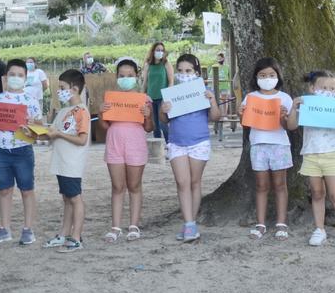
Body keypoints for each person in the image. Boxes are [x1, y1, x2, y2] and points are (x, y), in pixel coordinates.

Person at [287, 69, 335, 254]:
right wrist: (293, 108)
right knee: (317, 193)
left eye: (331, 88)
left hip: (333, 154)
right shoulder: (307, 105)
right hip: (311, 154)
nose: (327, 91)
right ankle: (319, 229)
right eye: (323, 87)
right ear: (312, 88)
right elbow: (291, 126)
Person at [160, 54, 222, 243]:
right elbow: (164, 120)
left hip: (199, 142)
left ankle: (191, 223)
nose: (184, 74)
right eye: (180, 71)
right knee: (182, 182)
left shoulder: (204, 90)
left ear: (196, 72)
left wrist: (212, 101)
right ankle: (188, 223)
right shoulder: (172, 93)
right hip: (176, 142)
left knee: (194, 182)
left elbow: (216, 117)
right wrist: (163, 110)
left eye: (188, 71)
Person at [0, 59, 44, 246]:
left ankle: (28, 229)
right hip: (1, 150)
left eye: (20, 75)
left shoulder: (30, 100)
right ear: (6, 77)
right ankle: (4, 229)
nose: (16, 78)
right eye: (12, 75)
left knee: (27, 190)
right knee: (4, 190)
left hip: (23, 150)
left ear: (26, 78)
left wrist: (31, 125)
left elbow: (39, 127)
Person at [240, 57, 294, 241]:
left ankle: (281, 223)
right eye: (262, 75)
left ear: (278, 76)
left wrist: (284, 117)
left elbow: (289, 126)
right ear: (256, 77)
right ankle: (260, 223)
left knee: (280, 185)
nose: (267, 78)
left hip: (280, 145)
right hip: (258, 145)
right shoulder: (251, 98)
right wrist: (242, 115)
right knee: (261, 186)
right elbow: (245, 124)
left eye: (271, 74)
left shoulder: (284, 98)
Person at [102, 60, 154, 243]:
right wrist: (102, 113)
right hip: (114, 144)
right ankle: (115, 227)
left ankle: (134, 225)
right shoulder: (110, 99)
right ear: (116, 78)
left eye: (130, 75)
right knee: (117, 187)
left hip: (136, 144)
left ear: (137, 76)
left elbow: (149, 127)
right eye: (122, 76)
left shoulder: (144, 99)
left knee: (134, 186)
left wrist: (147, 115)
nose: (126, 79)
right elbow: (104, 126)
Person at [43, 69, 90, 252]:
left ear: (75, 88)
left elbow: (82, 139)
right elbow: (51, 134)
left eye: (62, 87)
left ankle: (76, 237)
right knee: (66, 198)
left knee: (75, 198)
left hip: (72, 163)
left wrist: (59, 134)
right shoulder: (64, 111)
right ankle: (64, 234)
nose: (59, 91)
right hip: (61, 162)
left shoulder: (81, 111)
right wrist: (33, 130)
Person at [141, 42, 174, 141]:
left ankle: (169, 143)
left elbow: (171, 81)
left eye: (162, 50)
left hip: (162, 97)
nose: (160, 52)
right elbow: (145, 82)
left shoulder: (166, 63)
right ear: (153, 51)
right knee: (155, 125)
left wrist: (167, 97)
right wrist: (142, 95)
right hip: (151, 98)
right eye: (157, 50)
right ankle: (157, 145)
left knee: (162, 123)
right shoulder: (148, 64)